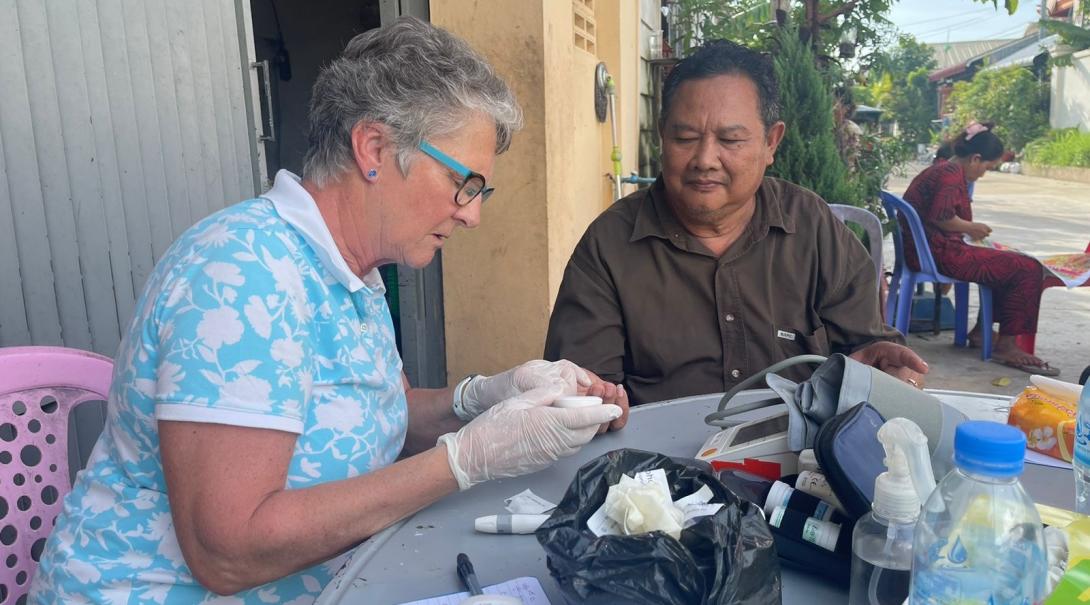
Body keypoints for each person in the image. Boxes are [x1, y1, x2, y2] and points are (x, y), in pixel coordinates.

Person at [30, 17, 628, 604]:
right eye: (464, 183)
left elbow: (377, 413)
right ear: (373, 148)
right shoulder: (242, 274)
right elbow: (227, 551)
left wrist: (487, 397)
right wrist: (467, 459)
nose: (472, 214)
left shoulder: (352, 272)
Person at [543, 40, 927, 406]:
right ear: (662, 136)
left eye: (730, 139)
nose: (705, 159)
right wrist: (589, 406)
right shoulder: (609, 245)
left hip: (795, 461)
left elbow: (866, 349)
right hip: (655, 467)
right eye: (686, 137)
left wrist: (885, 371)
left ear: (771, 143)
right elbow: (583, 391)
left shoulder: (812, 228)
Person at [901, 121, 1058, 376]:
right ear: (975, 158)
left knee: (1007, 260)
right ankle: (1007, 345)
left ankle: (980, 333)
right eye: (987, 167)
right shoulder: (950, 173)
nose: (984, 173)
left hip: (929, 250)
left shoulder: (942, 168)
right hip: (940, 253)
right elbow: (941, 217)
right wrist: (972, 228)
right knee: (1028, 267)